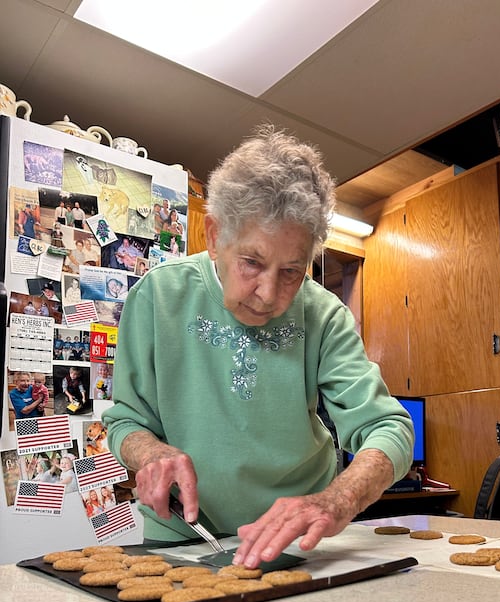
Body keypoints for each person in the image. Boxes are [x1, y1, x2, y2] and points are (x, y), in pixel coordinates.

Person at [103, 125, 413, 569]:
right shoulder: (157, 297)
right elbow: (126, 420)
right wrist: (150, 453)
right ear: (213, 236)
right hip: (187, 533)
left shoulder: (323, 314)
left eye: (292, 270)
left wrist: (334, 502)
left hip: (301, 537)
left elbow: (390, 428)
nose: (269, 293)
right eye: (251, 262)